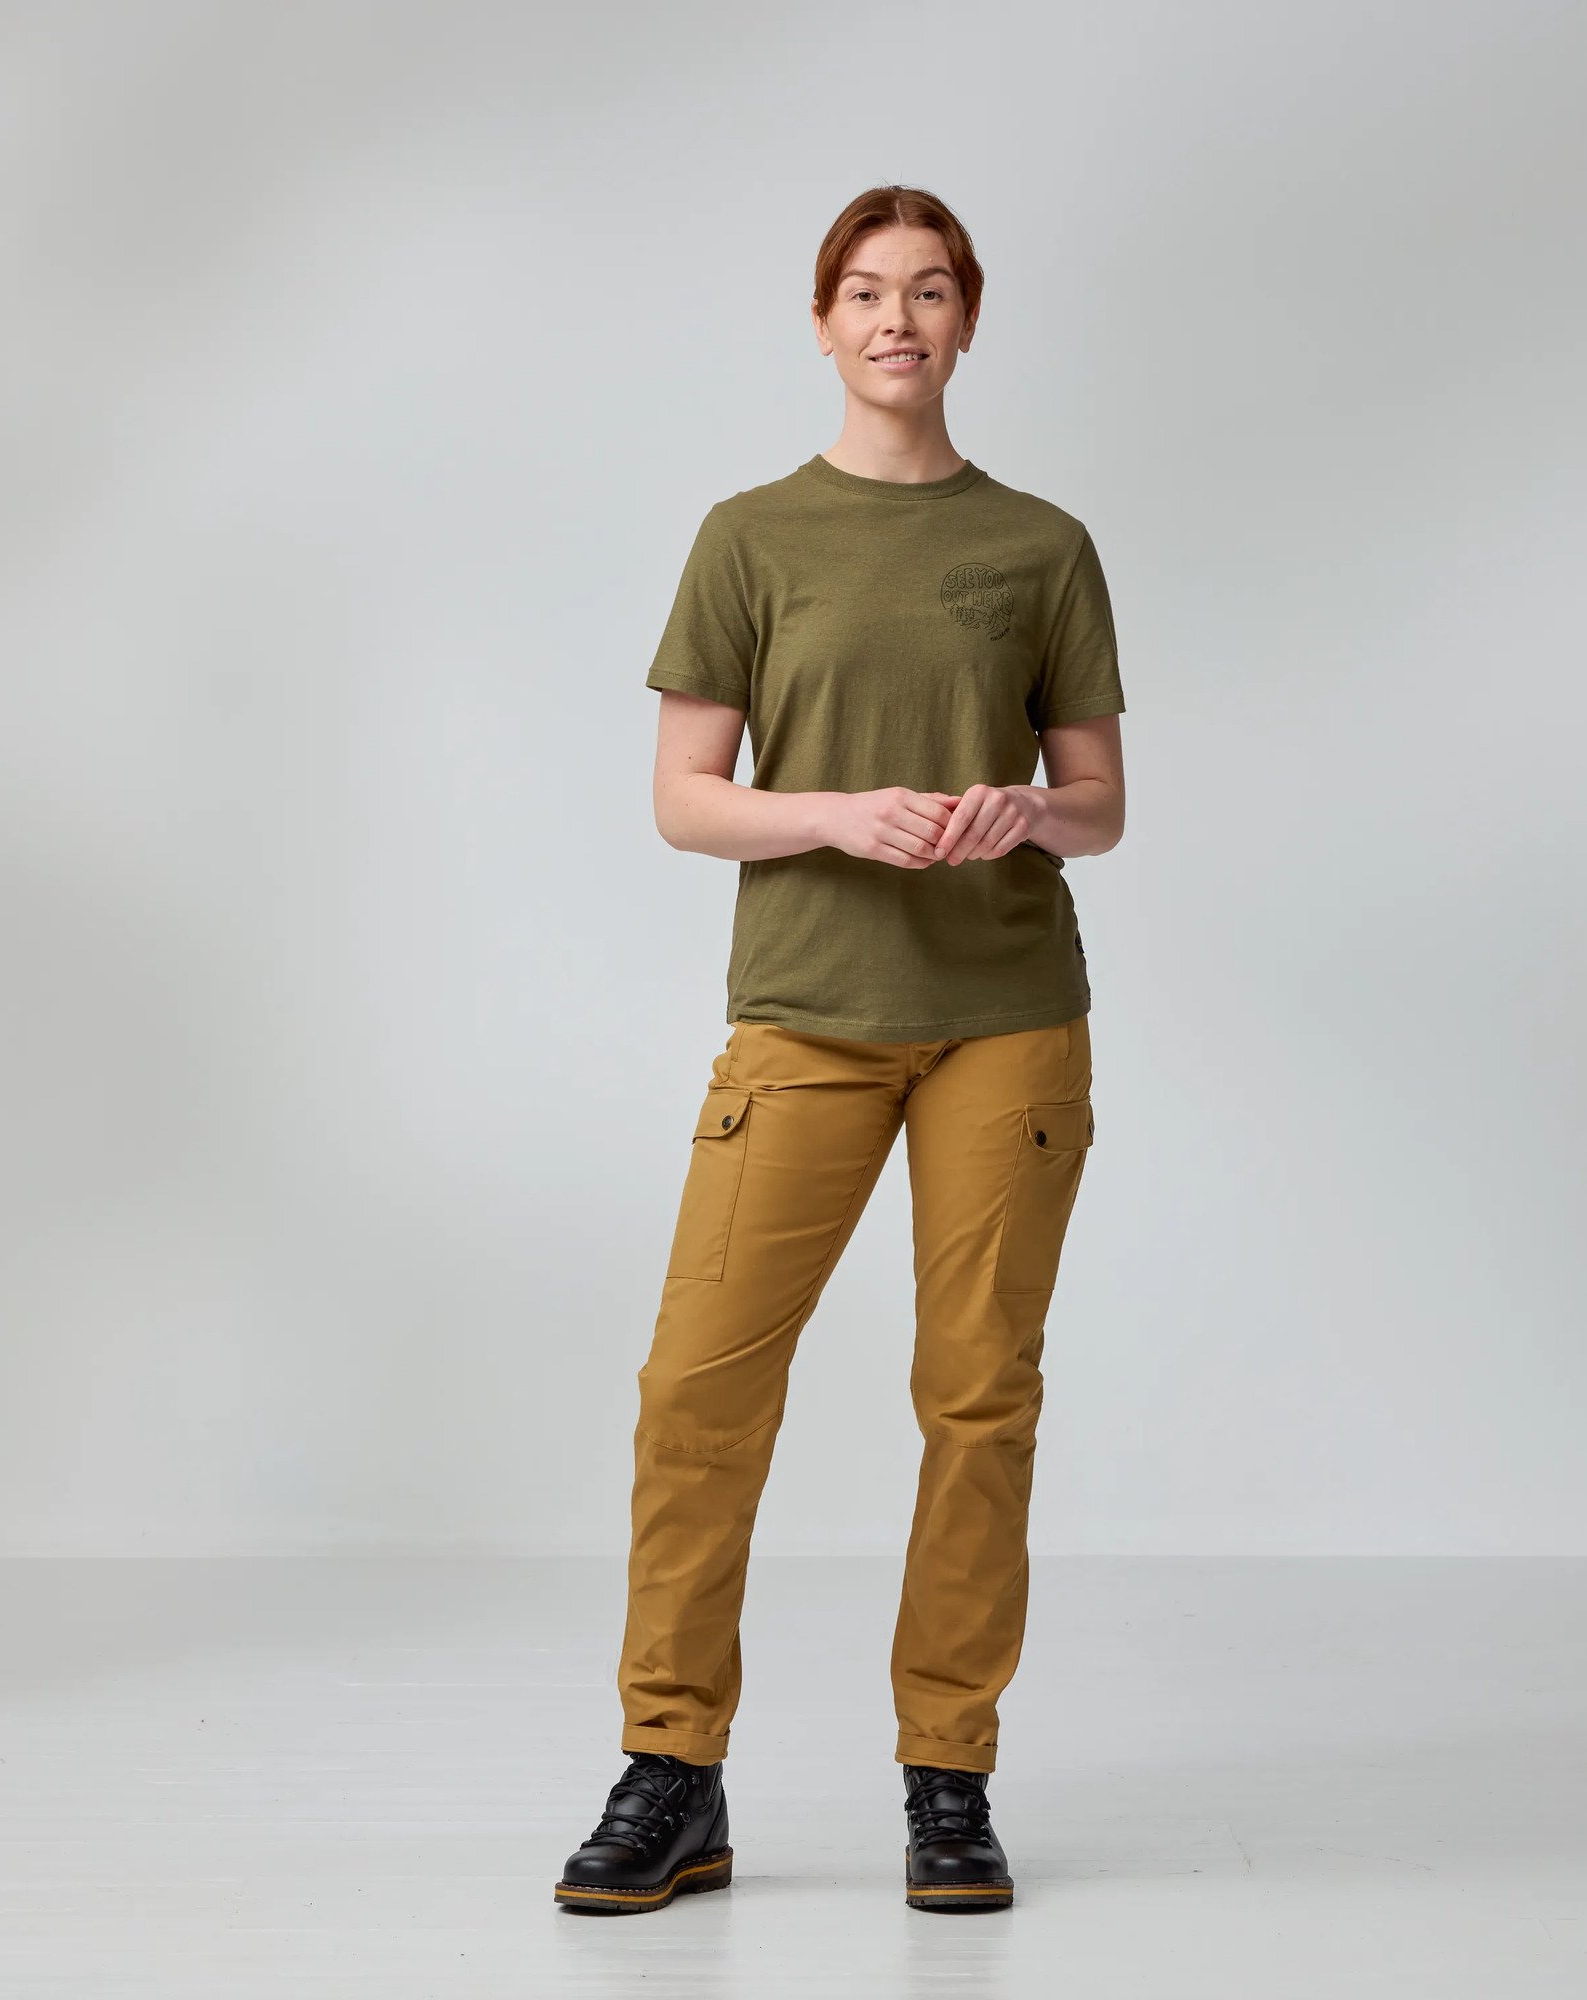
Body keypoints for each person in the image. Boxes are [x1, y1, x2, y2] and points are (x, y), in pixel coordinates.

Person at [555, 184, 1126, 1916]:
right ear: (823, 325)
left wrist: (1026, 807)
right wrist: (835, 815)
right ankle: (673, 1770)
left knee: (979, 1396)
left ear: (968, 321)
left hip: (1007, 1022)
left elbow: (1101, 804)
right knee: (699, 1386)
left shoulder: (1042, 545)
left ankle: (949, 1777)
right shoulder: (751, 537)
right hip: (805, 1010)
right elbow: (683, 798)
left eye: (930, 291)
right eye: (867, 293)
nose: (898, 320)